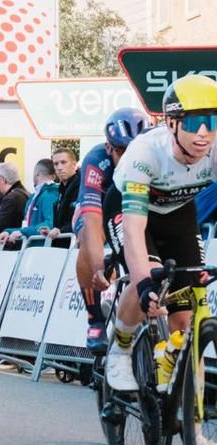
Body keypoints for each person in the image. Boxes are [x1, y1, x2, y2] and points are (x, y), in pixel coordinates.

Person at [104, 76, 216, 397]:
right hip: (132, 210)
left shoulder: (215, 148)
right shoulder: (146, 154)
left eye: (212, 122)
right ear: (172, 123)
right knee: (148, 283)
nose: (204, 134)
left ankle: (188, 415)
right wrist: (144, 284)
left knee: (185, 319)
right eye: (195, 123)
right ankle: (121, 349)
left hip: (178, 212)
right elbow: (135, 230)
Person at [73, 107, 153, 354]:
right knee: (88, 239)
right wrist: (97, 267)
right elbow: (92, 218)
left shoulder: (154, 155)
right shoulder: (96, 160)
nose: (129, 156)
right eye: (121, 150)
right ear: (109, 147)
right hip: (97, 207)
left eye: (134, 149)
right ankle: (94, 319)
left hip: (135, 204)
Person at [0, 158, 58, 247]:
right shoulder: (34, 196)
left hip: (42, 250)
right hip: (31, 248)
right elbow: (26, 226)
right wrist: (8, 231)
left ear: (37, 173)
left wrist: (22, 232)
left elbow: (49, 224)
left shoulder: (50, 194)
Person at [52, 147, 80, 233]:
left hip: (76, 243)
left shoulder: (81, 186)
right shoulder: (61, 189)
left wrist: (61, 231)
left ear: (74, 164)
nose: (59, 167)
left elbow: (82, 220)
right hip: (62, 242)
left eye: (63, 162)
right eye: (56, 164)